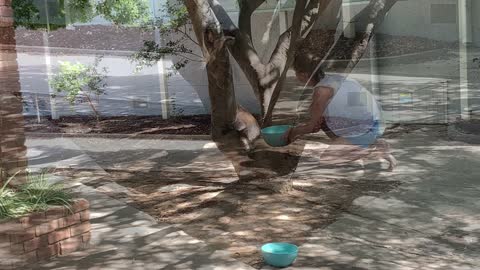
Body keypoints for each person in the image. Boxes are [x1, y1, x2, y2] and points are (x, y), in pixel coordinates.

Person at [284, 54, 397, 171]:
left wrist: (292, 132)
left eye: (296, 73)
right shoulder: (333, 79)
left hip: (367, 127)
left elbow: (311, 127)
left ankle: (374, 150)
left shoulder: (322, 91)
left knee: (327, 159)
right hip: (373, 121)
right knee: (322, 120)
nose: (295, 77)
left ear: (304, 74)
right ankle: (361, 144)